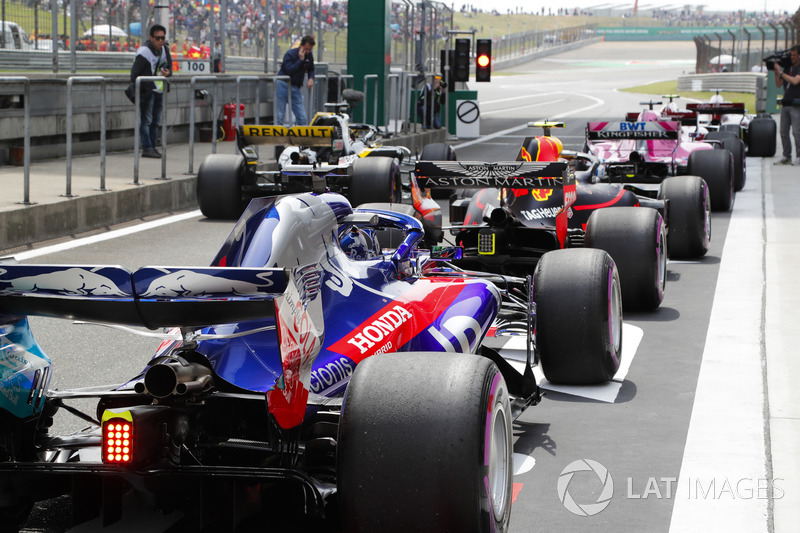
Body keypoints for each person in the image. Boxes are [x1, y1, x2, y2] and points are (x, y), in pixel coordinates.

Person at [130, 24, 172, 158]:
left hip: (159, 90)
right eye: (158, 38)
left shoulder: (164, 49)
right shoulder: (144, 52)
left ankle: (152, 146)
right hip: (148, 91)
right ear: (151, 38)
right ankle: (147, 147)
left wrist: (167, 72)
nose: (161, 41)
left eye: (163, 38)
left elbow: (169, 67)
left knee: (156, 121)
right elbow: (134, 74)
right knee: (147, 120)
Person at [275, 35, 316, 126]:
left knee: (302, 117)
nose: (308, 51)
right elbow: (289, 70)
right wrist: (301, 60)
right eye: (306, 49)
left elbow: (311, 69)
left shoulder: (309, 56)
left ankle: (302, 137)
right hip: (283, 84)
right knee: (279, 115)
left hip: (295, 86)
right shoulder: (290, 54)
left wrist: (311, 78)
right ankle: (278, 135)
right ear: (301, 46)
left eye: (310, 49)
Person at [774, 45, 800, 165]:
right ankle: (786, 155)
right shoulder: (788, 68)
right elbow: (778, 84)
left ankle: (799, 155)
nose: (792, 57)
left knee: (796, 132)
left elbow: (795, 81)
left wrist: (781, 74)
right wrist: (776, 72)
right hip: (785, 104)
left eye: (794, 55)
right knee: (783, 131)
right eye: (791, 55)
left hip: (796, 104)